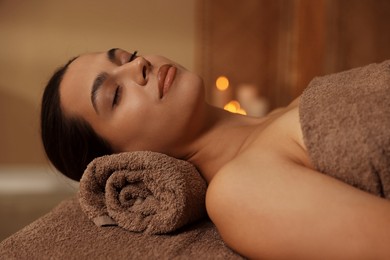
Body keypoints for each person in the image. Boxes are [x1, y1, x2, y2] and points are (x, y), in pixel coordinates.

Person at [41, 48, 390, 259]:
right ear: (121, 160)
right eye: (115, 95)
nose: (139, 65)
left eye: (129, 57)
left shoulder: (289, 109)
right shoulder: (239, 190)